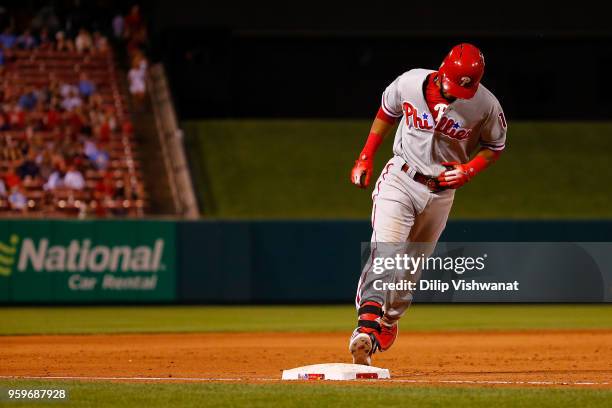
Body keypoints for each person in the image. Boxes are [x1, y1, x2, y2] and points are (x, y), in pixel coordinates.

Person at [348, 44, 507, 365]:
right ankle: (365, 329)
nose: (462, 92)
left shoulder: (486, 105)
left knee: (407, 273)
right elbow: (386, 113)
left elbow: (495, 146)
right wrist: (365, 155)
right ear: (442, 72)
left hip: (440, 194)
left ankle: (388, 322)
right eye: (457, 84)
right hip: (401, 178)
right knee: (386, 252)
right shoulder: (409, 83)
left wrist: (468, 170)